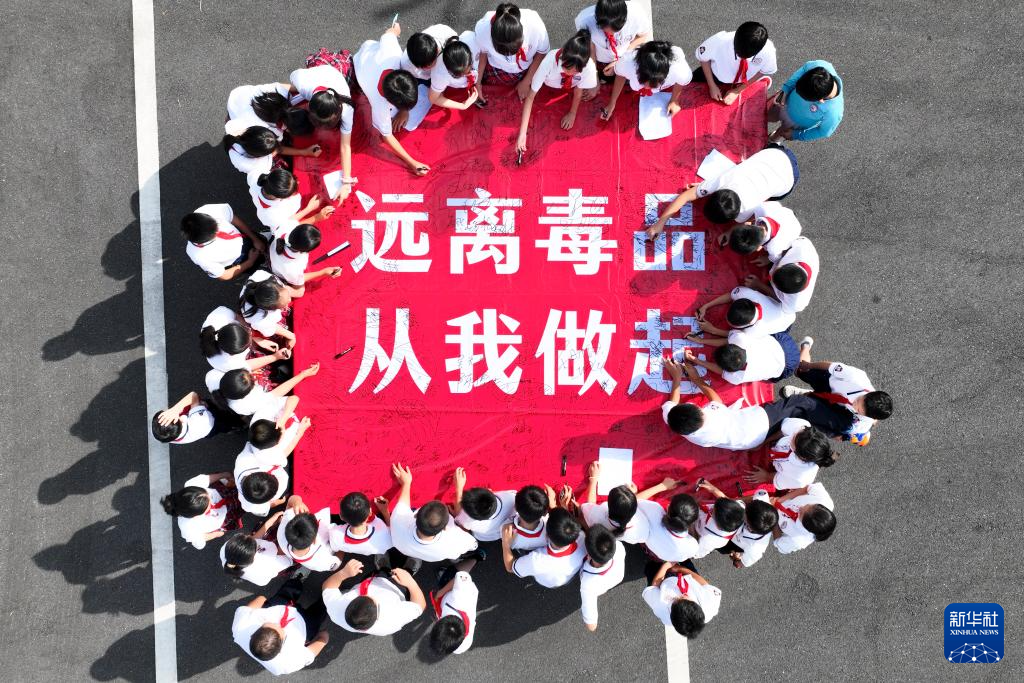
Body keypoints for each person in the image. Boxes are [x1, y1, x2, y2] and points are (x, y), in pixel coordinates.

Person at [646, 145, 799, 236]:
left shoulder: (743, 211)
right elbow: (686, 196)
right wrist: (660, 223)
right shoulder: (722, 181)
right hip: (776, 155)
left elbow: (686, 196)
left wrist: (660, 223)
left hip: (787, 175)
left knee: (771, 196)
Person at [353, 23, 430, 175]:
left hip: (369, 52)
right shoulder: (380, 106)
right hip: (357, 66)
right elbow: (387, 136)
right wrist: (412, 163)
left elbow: (390, 32)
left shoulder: (393, 54)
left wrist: (395, 30)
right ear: (391, 102)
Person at [661, 358, 783, 450]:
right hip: (759, 423)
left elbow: (671, 405)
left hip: (748, 442)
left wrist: (676, 377)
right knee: (792, 406)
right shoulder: (715, 417)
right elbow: (715, 400)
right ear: (702, 412)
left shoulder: (674, 421)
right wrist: (696, 378)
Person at [515, 29, 598, 154]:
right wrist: (522, 134)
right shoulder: (548, 62)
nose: (570, 73)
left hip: (569, 89)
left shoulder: (588, 67)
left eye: (575, 72)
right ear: (562, 56)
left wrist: (572, 113)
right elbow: (531, 97)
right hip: (549, 86)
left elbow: (578, 90)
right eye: (567, 69)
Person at [231, 575, 329, 675]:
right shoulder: (288, 664)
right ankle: (299, 579)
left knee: (318, 615)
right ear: (281, 648)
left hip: (303, 627)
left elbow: (323, 637)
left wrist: (318, 635)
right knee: (289, 591)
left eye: (271, 623)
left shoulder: (240, 628)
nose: (280, 624)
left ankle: (326, 597)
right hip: (281, 608)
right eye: (282, 630)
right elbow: (261, 599)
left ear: (252, 634)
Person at [288, 64, 356, 198]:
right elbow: (290, 81)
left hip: (333, 73)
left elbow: (345, 145)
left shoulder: (347, 110)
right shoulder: (303, 85)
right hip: (315, 76)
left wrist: (346, 182)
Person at [389, 463, 479, 562]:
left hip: (403, 546)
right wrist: (459, 490)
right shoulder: (453, 542)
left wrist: (406, 483)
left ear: (416, 515)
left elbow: (402, 505)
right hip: (417, 552)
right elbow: (474, 545)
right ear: (445, 528)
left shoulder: (398, 523)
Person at [321, 559, 426, 636]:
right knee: (404, 574)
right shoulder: (391, 621)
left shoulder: (336, 610)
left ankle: (383, 568)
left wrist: (343, 574)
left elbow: (327, 586)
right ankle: (408, 571)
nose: (367, 593)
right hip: (398, 589)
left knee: (381, 572)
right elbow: (420, 606)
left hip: (372, 579)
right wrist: (410, 582)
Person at [234, 417, 311, 516]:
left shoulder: (259, 458)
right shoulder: (252, 506)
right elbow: (265, 507)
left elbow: (284, 453)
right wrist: (280, 501)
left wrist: (300, 432)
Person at [474, 3, 551, 102]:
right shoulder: (482, 29)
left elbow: (541, 53)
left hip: (525, 68)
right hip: (497, 66)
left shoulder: (536, 27)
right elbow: (483, 53)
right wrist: (478, 83)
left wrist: (526, 81)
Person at [573, 0, 652, 95]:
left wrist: (620, 61)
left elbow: (642, 36)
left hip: (625, 58)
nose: (612, 34)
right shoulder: (584, 21)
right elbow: (590, 50)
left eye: (617, 30)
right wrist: (594, 80)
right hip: (599, 63)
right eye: (606, 30)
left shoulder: (637, 15)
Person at [602, 40, 691, 120]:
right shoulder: (627, 63)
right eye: (643, 82)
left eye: (654, 85)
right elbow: (621, 75)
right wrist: (612, 103)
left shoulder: (680, 70)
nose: (647, 88)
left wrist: (674, 100)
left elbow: (681, 81)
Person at [693, 22, 777, 105]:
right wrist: (712, 85)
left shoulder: (768, 52)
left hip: (743, 83)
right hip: (713, 76)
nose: (741, 57)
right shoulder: (720, 40)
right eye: (737, 53)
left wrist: (738, 91)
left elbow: (763, 71)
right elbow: (704, 59)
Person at [681, 327, 800, 384]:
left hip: (786, 363)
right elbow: (727, 340)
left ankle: (805, 348)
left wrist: (697, 360)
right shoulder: (740, 339)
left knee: (769, 380)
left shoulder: (738, 377)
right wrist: (700, 342)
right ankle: (804, 348)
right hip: (782, 344)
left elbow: (720, 371)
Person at [503, 507, 585, 588]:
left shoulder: (535, 560)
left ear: (546, 536)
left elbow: (510, 567)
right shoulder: (583, 537)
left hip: (546, 580)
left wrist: (506, 543)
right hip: (565, 577)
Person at [744, 418, 836, 490]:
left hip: (776, 468)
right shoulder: (802, 427)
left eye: (793, 439)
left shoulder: (801, 477)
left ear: (801, 457)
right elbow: (782, 431)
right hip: (775, 449)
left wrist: (766, 476)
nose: (794, 433)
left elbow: (779, 479)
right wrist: (763, 442)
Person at [182, 204, 267, 280]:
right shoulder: (199, 256)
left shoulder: (206, 211)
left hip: (242, 236)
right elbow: (223, 275)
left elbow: (233, 219)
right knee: (258, 263)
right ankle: (263, 263)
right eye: (215, 232)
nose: (219, 229)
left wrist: (255, 239)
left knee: (262, 242)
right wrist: (250, 262)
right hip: (239, 259)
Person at [161, 472, 242, 550]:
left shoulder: (191, 485)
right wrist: (215, 534)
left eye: (207, 493)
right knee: (239, 508)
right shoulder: (188, 528)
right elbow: (199, 542)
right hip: (225, 515)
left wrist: (225, 474)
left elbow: (208, 479)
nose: (211, 501)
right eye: (208, 505)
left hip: (223, 493)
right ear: (196, 516)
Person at [768, 60, 844, 142]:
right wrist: (785, 90)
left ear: (820, 100)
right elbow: (805, 68)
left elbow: (823, 132)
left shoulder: (834, 112)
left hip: (796, 123)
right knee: (765, 116)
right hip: (783, 101)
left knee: (780, 134)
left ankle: (771, 139)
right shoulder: (820, 67)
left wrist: (796, 134)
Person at [642, 560, 721, 639]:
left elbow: (654, 587)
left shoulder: (661, 608)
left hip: (665, 583)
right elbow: (703, 584)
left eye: (675, 600)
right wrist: (679, 569)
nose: (682, 595)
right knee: (685, 560)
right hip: (689, 578)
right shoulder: (710, 604)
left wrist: (666, 566)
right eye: (685, 599)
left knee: (651, 568)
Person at [200, 306, 289, 374]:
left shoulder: (220, 315)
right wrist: (275, 357)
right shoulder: (226, 363)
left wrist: (255, 337)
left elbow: (236, 316)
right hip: (233, 366)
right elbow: (249, 365)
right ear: (232, 354)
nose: (251, 345)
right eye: (248, 345)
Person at [744, 234, 819, 313]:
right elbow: (786, 245)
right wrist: (769, 258)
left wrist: (760, 285)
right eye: (777, 269)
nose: (770, 275)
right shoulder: (802, 248)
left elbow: (780, 300)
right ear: (789, 265)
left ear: (784, 292)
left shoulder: (796, 303)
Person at [579, 462, 650, 544]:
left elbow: (589, 505)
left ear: (608, 505)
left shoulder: (597, 516)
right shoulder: (641, 527)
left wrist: (593, 479)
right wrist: (632, 495)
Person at [218, 362, 319, 418]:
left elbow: (249, 366)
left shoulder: (217, 377)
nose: (251, 374)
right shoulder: (250, 403)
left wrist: (276, 356)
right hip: (264, 400)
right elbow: (277, 392)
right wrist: (303, 375)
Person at [694, 283, 796, 338]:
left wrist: (713, 330)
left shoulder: (754, 332)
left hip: (783, 324)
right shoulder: (747, 294)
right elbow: (731, 295)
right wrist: (706, 306)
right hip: (784, 311)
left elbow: (733, 335)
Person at [220, 512, 294, 586]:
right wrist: (284, 528)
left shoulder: (226, 548)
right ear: (255, 556)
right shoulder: (267, 566)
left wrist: (273, 519)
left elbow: (255, 537)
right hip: (278, 561)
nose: (249, 535)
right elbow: (284, 554)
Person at [248, 169, 334, 232]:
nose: (298, 183)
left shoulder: (255, 176)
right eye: (292, 193)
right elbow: (287, 227)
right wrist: (312, 212)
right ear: (281, 198)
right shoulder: (272, 216)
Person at [635, 478, 699, 562]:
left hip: (648, 544)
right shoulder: (693, 547)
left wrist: (662, 486)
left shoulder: (655, 512)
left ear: (668, 507)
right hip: (660, 555)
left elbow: (633, 502)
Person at [267, 222, 342, 293]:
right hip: (281, 273)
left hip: (275, 260)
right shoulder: (293, 267)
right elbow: (300, 279)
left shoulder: (287, 225)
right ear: (306, 251)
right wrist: (323, 272)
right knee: (300, 292)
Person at [717, 201, 802, 264]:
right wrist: (729, 232)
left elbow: (776, 258)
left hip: (794, 230)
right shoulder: (763, 209)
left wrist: (767, 259)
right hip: (785, 214)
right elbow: (776, 205)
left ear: (758, 248)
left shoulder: (774, 248)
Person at [276, 494, 342, 572]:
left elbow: (291, 502)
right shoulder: (321, 563)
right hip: (335, 532)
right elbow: (336, 564)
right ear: (314, 540)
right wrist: (342, 545)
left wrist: (297, 502)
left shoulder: (281, 533)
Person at [578, 524, 626, 631]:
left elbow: (592, 626)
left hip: (596, 586)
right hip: (616, 577)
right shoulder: (619, 547)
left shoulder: (588, 585)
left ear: (588, 554)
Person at [427, 560, 480, 655]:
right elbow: (460, 577)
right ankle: (477, 557)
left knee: (444, 581)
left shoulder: (463, 646)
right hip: (464, 586)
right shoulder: (460, 596)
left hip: (453, 600)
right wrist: (440, 593)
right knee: (448, 576)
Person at [452, 467, 516, 541]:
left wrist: (459, 489)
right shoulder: (510, 497)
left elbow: (458, 514)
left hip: (486, 538)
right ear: (490, 491)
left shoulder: (468, 521)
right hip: (500, 533)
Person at [239, 270, 301, 346]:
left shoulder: (261, 275)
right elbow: (272, 328)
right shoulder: (259, 320)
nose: (290, 300)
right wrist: (290, 335)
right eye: (283, 305)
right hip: (260, 323)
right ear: (270, 310)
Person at [772, 483, 836, 554]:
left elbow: (778, 542)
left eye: (801, 513)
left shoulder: (798, 541)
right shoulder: (824, 500)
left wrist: (773, 516)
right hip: (784, 496)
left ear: (805, 526)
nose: (801, 507)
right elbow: (807, 488)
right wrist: (780, 500)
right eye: (808, 505)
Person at [721, 489, 778, 568]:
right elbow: (751, 498)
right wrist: (731, 502)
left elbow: (739, 564)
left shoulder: (755, 549)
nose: (745, 508)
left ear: (749, 526)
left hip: (732, 544)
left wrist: (735, 558)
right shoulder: (763, 503)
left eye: (746, 512)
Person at [691, 480, 746, 558]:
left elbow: (695, 554)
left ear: (718, 526)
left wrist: (691, 527)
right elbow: (727, 500)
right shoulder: (739, 508)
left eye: (712, 511)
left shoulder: (708, 540)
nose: (712, 508)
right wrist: (713, 489)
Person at [428, 32, 483, 110]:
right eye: (460, 75)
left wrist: (478, 83)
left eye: (470, 69)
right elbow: (433, 98)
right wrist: (462, 106)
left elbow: (484, 54)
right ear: (449, 70)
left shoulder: (473, 39)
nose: (468, 74)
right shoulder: (440, 75)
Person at [329, 491, 394, 556]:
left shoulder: (335, 535)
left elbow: (334, 548)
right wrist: (385, 511)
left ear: (341, 516)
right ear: (370, 512)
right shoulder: (384, 535)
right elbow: (393, 534)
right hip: (376, 548)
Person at [151, 391, 224, 444]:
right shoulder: (198, 420)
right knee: (224, 419)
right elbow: (193, 396)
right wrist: (174, 410)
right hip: (211, 420)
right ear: (181, 419)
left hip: (207, 432)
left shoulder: (166, 435)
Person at [508, 484, 554, 552]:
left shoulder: (509, 535)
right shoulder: (551, 530)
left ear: (515, 507)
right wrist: (553, 505)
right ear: (545, 513)